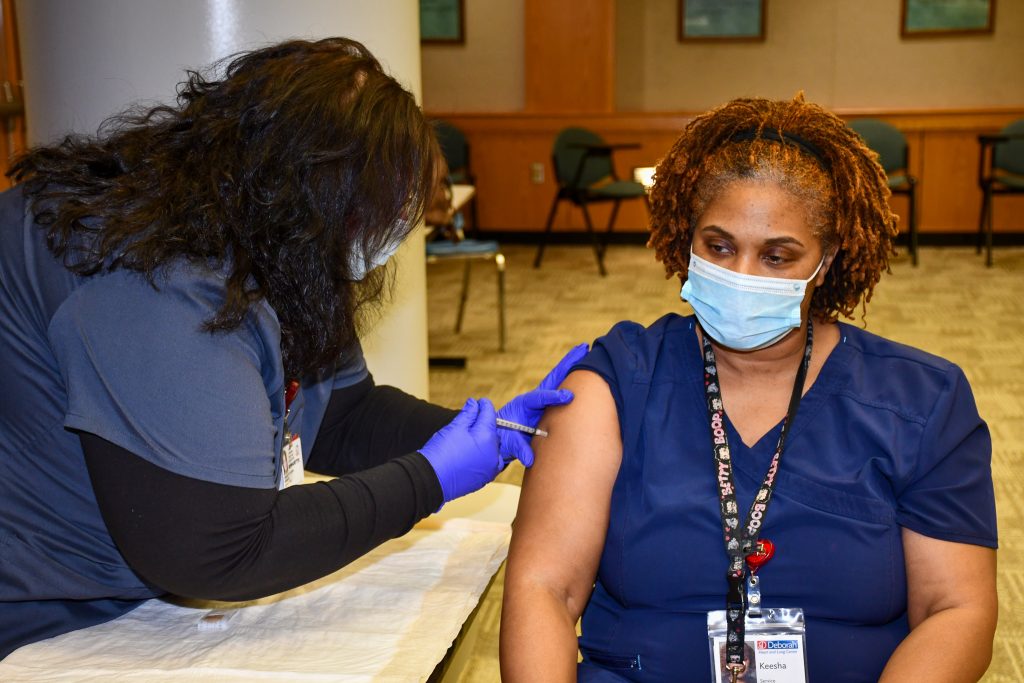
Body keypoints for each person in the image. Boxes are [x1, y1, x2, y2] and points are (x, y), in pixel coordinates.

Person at [0, 37, 585, 659]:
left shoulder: (279, 250)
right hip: (42, 618)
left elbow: (341, 414)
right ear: (301, 189)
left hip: (136, 587)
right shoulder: (155, 277)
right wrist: (429, 480)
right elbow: (218, 550)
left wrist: (488, 433)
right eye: (371, 216)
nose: (383, 242)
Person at [500, 95, 997, 682]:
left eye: (778, 256)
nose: (742, 275)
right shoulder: (614, 384)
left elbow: (956, 609)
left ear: (828, 258)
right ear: (686, 238)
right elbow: (543, 590)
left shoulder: (920, 401)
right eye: (719, 246)